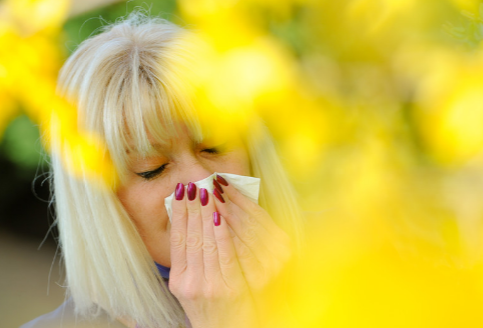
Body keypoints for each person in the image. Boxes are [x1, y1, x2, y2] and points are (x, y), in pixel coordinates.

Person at [22, 11, 304, 328]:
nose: (201, 181)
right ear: (98, 199)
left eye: (215, 147)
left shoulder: (353, 272)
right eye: (152, 169)